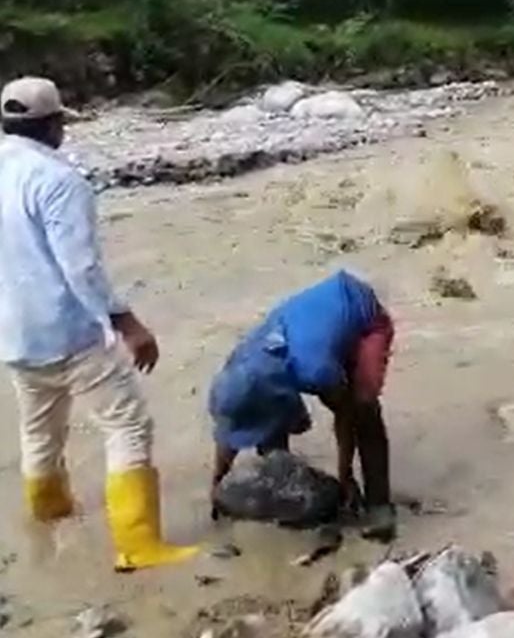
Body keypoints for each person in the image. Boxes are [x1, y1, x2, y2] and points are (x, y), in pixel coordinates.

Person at [0, 76, 199, 570]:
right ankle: (139, 545)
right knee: (127, 424)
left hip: (14, 334)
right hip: (68, 333)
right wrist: (128, 324)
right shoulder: (58, 180)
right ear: (53, 125)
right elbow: (81, 268)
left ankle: (49, 516)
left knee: (40, 428)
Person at [209, 270, 396, 539]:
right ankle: (282, 490)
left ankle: (379, 505)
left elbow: (345, 415)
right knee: (267, 423)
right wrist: (217, 483)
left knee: (363, 407)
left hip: (360, 309)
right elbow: (232, 421)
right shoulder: (242, 361)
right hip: (307, 327)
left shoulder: (316, 370)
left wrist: (345, 474)